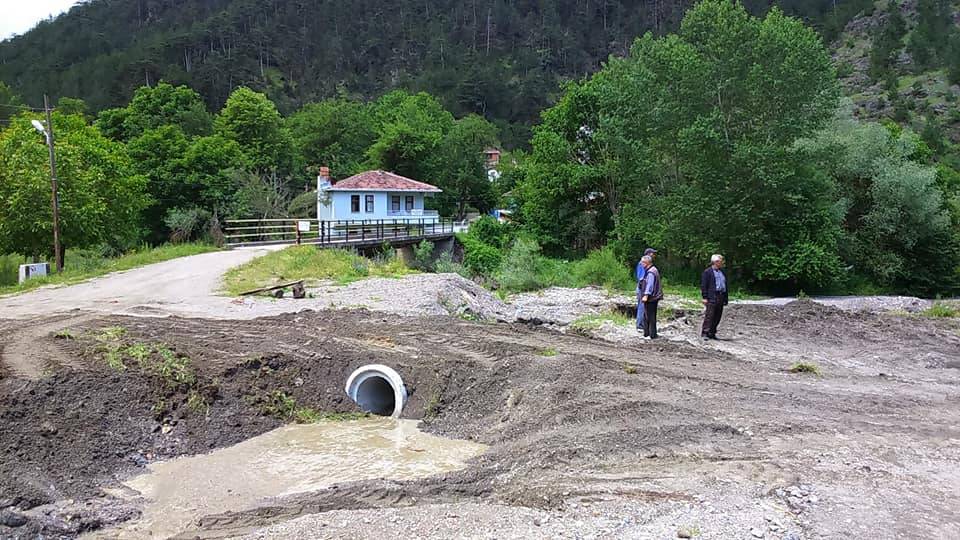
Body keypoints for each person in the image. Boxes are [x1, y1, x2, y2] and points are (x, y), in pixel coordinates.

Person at [701, 254, 729, 340]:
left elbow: (725, 285)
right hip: (712, 296)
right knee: (709, 315)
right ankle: (705, 332)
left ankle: (712, 332)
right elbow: (704, 285)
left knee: (718, 315)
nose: (722, 263)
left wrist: (725, 298)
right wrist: (705, 297)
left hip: (721, 295)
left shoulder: (722, 272)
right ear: (715, 262)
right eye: (720, 261)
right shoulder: (707, 272)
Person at [639, 255, 662, 339]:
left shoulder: (651, 272)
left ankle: (649, 334)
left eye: (642, 262)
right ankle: (650, 334)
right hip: (654, 297)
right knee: (650, 315)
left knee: (649, 316)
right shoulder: (653, 270)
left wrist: (645, 295)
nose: (641, 264)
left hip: (651, 298)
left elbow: (650, 285)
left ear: (646, 263)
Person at [635, 248, 657, 331]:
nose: (654, 255)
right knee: (642, 306)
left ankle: (642, 324)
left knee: (642, 306)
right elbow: (641, 277)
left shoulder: (646, 264)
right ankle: (640, 325)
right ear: (648, 254)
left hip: (643, 287)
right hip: (642, 288)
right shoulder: (642, 264)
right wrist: (645, 291)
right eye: (653, 253)